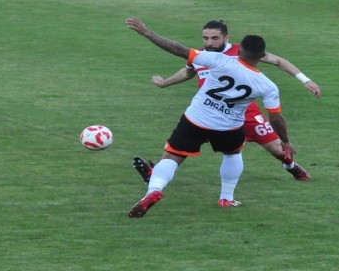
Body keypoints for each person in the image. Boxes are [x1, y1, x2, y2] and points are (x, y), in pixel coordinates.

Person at [125, 17, 296, 217]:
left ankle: (154, 191)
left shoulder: (217, 60)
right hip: (228, 126)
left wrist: (147, 33)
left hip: (196, 119)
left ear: (239, 51)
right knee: (232, 154)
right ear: (262, 56)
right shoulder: (267, 85)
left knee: (173, 157)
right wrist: (286, 141)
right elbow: (276, 119)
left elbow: (177, 48)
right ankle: (226, 198)